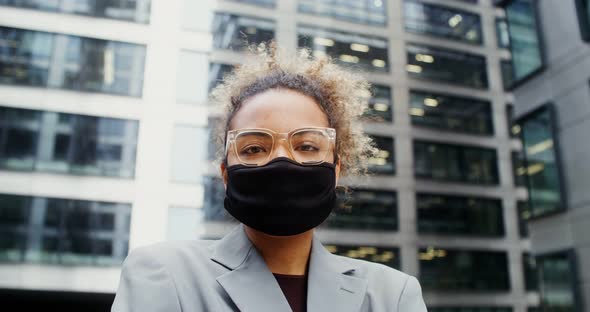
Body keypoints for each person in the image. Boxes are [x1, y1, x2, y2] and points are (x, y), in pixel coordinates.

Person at [111, 41, 428, 312]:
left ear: (336, 170)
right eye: (253, 149)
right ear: (226, 174)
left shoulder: (393, 295)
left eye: (306, 145)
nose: (281, 159)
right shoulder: (162, 272)